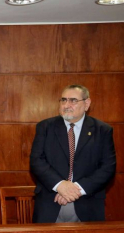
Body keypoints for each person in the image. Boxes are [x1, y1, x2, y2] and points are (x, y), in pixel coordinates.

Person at [30, 84, 116, 223]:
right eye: (63, 100)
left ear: (87, 103)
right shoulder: (45, 127)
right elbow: (36, 161)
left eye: (73, 100)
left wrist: (75, 190)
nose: (66, 104)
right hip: (51, 202)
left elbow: (108, 167)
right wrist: (60, 185)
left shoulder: (102, 130)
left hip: (88, 203)